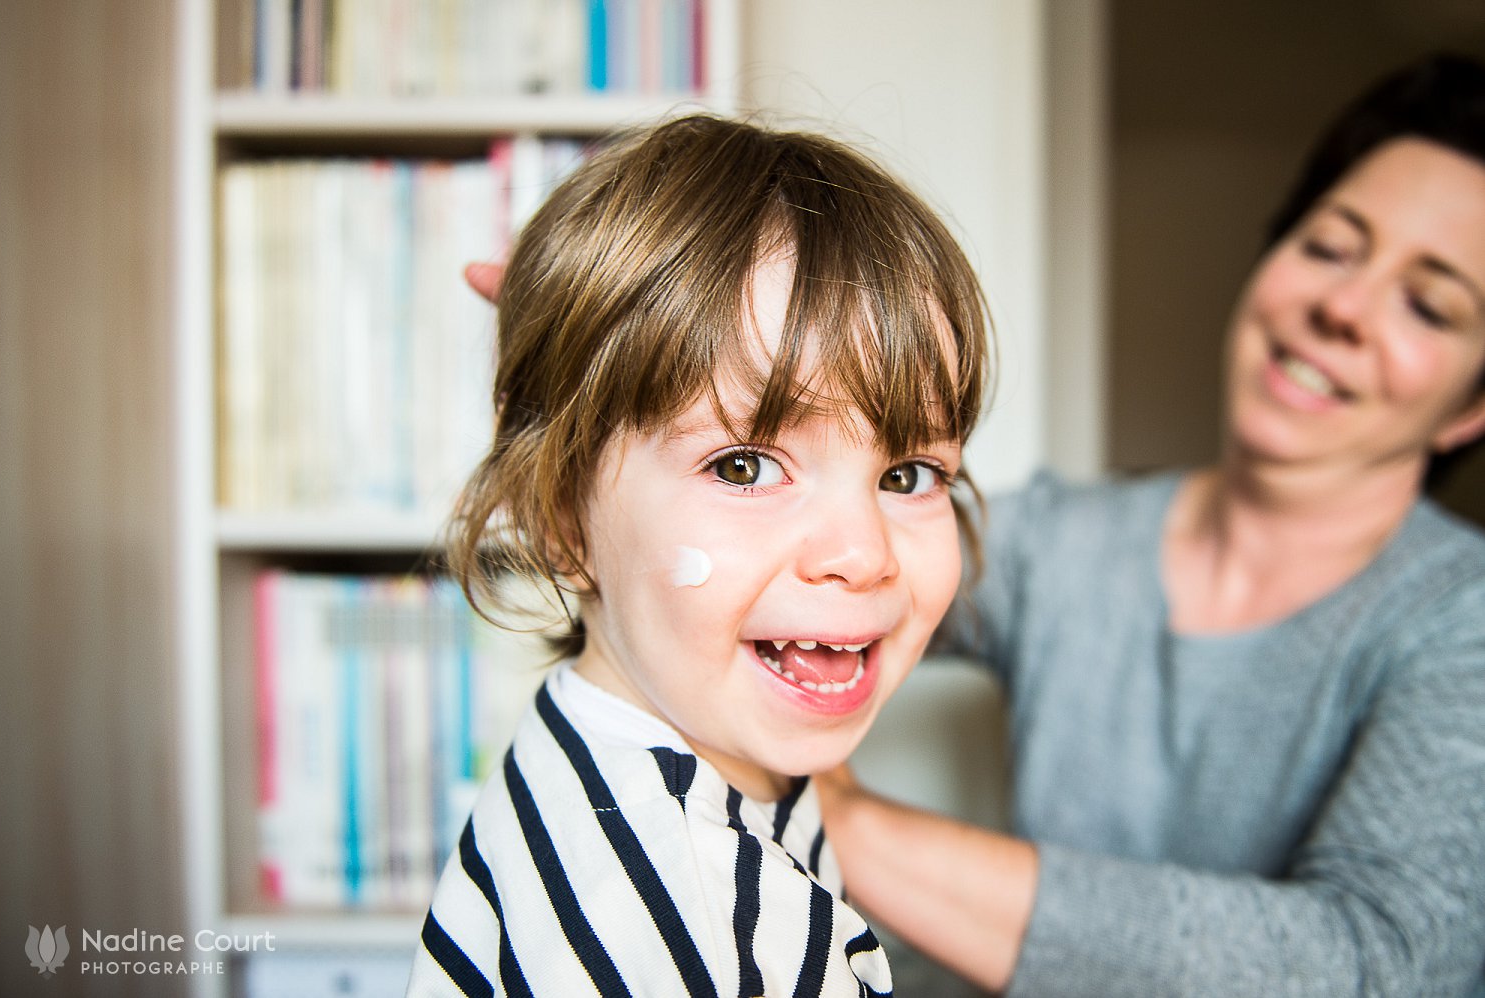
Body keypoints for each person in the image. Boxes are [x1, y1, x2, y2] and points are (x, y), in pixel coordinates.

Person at [811, 52, 1485, 997]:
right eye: (1330, 247)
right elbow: (816, 564)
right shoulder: (1061, 546)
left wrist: (854, 830)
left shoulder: (1462, 623)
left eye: (1428, 304)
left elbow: (1377, 967)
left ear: (1470, 408)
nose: (1342, 307)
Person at [406, 113, 991, 996]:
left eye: (908, 474)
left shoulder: (639, 753)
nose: (862, 554)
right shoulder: (695, 921)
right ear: (564, 519)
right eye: (745, 465)